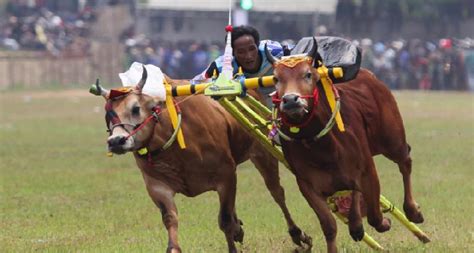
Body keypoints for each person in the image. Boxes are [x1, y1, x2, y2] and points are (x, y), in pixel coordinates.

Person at [192, 25, 285, 106]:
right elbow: (195, 83)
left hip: (283, 97)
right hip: (252, 106)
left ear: (258, 45)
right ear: (232, 53)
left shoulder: (275, 50)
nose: (248, 56)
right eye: (241, 52)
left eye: (252, 49)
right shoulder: (221, 65)